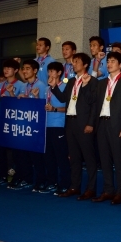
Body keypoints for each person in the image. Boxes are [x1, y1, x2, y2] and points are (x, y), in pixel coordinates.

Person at [49, 53, 98, 199]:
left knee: (89, 158)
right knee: (74, 157)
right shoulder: (70, 81)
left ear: (85, 65)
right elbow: (64, 98)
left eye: (76, 61)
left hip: (84, 123)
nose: (73, 64)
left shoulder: (93, 81)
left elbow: (93, 104)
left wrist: (90, 124)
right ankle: (74, 186)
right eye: (73, 61)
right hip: (70, 122)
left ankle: (91, 188)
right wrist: (54, 87)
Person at [92, 52, 121, 205]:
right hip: (102, 123)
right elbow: (95, 105)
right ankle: (108, 190)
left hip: (118, 125)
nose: (109, 64)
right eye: (108, 61)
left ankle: (120, 192)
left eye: (113, 61)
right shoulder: (101, 83)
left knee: (118, 159)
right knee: (104, 159)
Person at [8, 59, 48, 191]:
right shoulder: (26, 86)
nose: (24, 71)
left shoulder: (42, 86)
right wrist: (16, 96)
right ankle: (27, 178)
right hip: (26, 127)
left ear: (35, 71)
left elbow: (43, 107)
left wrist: (32, 99)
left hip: (37, 128)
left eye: (27, 68)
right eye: (23, 68)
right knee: (23, 155)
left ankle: (41, 181)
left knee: (37, 157)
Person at [0, 60, 25, 188]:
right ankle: (1, 176)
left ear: (16, 70)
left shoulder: (22, 85)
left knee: (17, 153)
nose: (6, 70)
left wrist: (12, 92)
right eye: (5, 68)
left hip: (14, 123)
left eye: (9, 68)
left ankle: (19, 177)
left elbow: (21, 105)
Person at [45, 62, 71, 196]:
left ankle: (65, 184)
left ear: (59, 73)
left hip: (59, 126)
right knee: (49, 157)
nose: (50, 74)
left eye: (53, 72)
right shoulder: (47, 88)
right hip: (46, 126)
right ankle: (52, 182)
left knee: (61, 157)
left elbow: (70, 108)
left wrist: (55, 109)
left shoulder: (65, 86)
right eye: (49, 72)